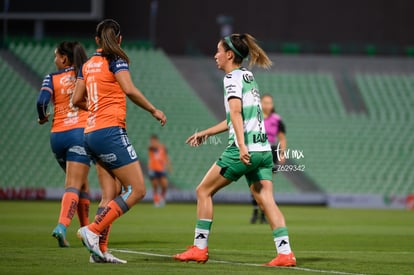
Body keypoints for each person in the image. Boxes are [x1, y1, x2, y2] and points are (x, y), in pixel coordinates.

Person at [173, 33, 296, 267]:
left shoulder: (230, 78)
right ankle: (285, 253)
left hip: (245, 149)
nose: (215, 55)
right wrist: (206, 132)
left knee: (203, 191)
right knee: (267, 200)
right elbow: (236, 117)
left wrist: (240, 146)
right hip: (262, 151)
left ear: (229, 55)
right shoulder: (248, 76)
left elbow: (237, 114)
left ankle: (199, 248)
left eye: (218, 51)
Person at [72, 19, 166, 262]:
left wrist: (95, 108)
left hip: (90, 134)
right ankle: (91, 231)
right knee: (137, 189)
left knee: (110, 193)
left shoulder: (88, 64)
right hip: (110, 132)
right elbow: (130, 89)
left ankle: (100, 252)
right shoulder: (117, 60)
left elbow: (75, 99)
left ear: (96, 40)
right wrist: (153, 110)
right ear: (120, 39)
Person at [36, 41, 90, 247]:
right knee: (74, 185)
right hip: (79, 134)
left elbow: (41, 102)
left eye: (56, 56)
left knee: (81, 183)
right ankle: (61, 226)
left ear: (64, 59)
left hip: (57, 136)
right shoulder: (84, 74)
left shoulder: (51, 77)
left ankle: (85, 231)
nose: (54, 60)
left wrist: (42, 118)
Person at [250, 94, 287, 224]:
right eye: (265, 102)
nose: (267, 105)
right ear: (260, 103)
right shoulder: (254, 117)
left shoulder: (277, 119)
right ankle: (256, 211)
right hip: (256, 148)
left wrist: (282, 153)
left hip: (271, 151)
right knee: (255, 183)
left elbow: (282, 138)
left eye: (269, 103)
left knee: (267, 184)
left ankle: (264, 214)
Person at [148, 134, 171, 207]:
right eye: (151, 141)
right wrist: (160, 145)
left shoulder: (162, 148)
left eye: (153, 140)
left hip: (161, 169)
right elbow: (153, 147)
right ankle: (156, 200)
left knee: (164, 185)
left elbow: (166, 157)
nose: (152, 142)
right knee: (155, 185)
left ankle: (162, 198)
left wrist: (169, 165)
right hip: (153, 168)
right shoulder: (151, 148)